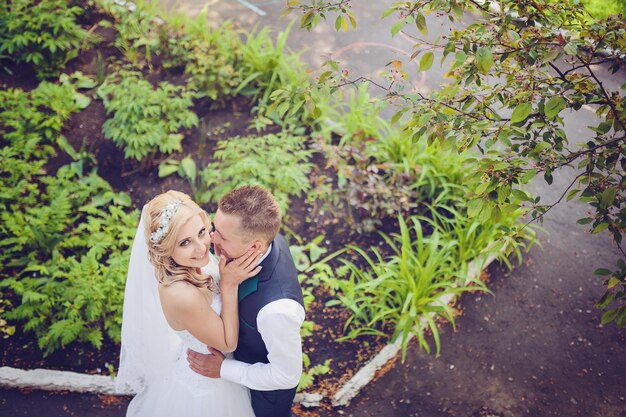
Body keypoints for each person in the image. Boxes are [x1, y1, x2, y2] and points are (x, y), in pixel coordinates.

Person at [115, 190, 261, 417]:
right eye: (184, 242)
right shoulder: (182, 294)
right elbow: (227, 342)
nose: (202, 247)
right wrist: (229, 286)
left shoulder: (192, 262)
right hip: (205, 388)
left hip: (220, 373)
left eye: (202, 232)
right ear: (166, 249)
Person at [186, 185, 306, 417]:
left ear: (255, 247)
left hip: (262, 399)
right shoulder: (266, 238)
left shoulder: (277, 311)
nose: (211, 238)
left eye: (223, 237)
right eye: (214, 228)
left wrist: (224, 369)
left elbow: (286, 375)